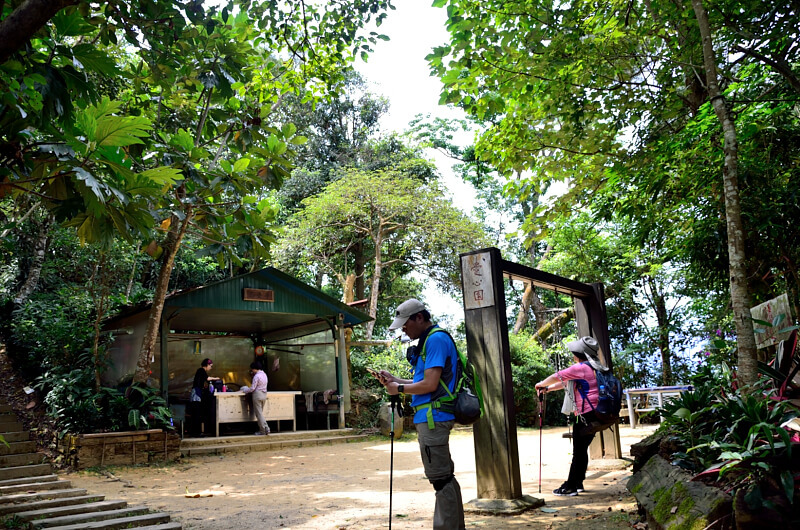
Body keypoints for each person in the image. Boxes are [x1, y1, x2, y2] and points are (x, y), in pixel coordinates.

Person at [378, 298, 466, 530]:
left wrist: (398, 389)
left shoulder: (435, 339)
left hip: (433, 418)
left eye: (405, 324)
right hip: (431, 417)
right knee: (444, 478)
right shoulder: (431, 339)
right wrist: (396, 380)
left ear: (419, 317)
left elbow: (429, 385)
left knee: (441, 480)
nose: (404, 330)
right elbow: (424, 382)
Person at [534, 336, 603, 496]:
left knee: (578, 452)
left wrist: (541, 384)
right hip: (596, 413)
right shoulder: (595, 366)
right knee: (582, 450)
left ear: (578, 354)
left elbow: (558, 376)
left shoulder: (581, 368)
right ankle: (578, 483)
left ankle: (570, 486)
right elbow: (566, 382)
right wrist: (548, 389)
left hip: (585, 414)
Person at [190, 358, 221, 437]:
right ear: (207, 365)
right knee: (196, 413)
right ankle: (196, 433)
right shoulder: (201, 370)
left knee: (197, 413)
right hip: (196, 394)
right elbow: (207, 378)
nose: (211, 368)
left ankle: (196, 432)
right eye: (210, 366)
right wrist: (215, 378)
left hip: (197, 393)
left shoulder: (201, 371)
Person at [241, 361, 270, 435]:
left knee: (258, 414)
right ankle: (265, 428)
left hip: (257, 395)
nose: (252, 370)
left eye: (252, 369)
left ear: (254, 368)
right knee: (260, 413)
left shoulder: (256, 376)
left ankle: (264, 430)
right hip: (264, 395)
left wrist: (245, 390)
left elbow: (252, 388)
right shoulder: (264, 375)